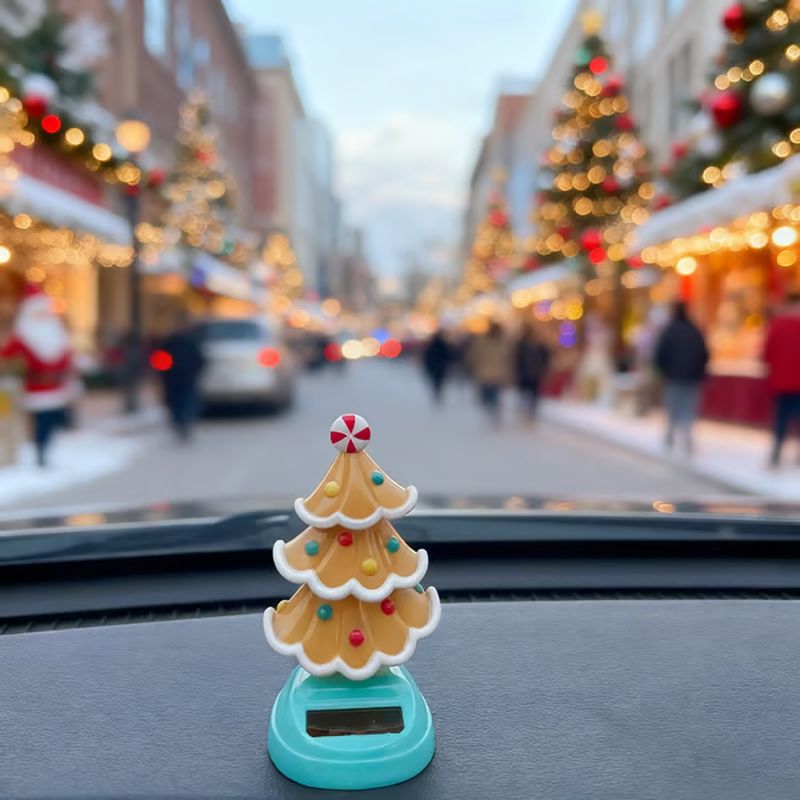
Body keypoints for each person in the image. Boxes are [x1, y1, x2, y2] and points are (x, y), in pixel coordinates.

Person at [0, 284, 74, 467]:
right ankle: (39, 448)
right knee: (40, 420)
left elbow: (67, 356)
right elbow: (7, 354)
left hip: (54, 386)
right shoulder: (27, 334)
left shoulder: (52, 332)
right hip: (36, 386)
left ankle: (41, 447)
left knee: (49, 420)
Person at [654, 301, 709, 454]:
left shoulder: (669, 331)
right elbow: (704, 353)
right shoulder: (694, 330)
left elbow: (660, 354)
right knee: (688, 408)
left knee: (673, 407)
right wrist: (700, 372)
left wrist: (663, 370)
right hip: (691, 378)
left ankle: (670, 435)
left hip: (673, 376)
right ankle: (687, 439)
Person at [763, 291, 800, 467]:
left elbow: (767, 353)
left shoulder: (777, 325)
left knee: (781, 418)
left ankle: (777, 452)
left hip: (781, 381)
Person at [158, 316, 205, 442]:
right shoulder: (176, 342)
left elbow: (199, 360)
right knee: (182, 401)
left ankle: (182, 422)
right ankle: (182, 422)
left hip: (178, 376)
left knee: (182, 401)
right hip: (179, 376)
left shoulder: (176, 342)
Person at [468, 321, 514, 423]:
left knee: (495, 393)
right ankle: (491, 408)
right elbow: (475, 355)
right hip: (486, 371)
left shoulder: (505, 341)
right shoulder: (482, 341)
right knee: (488, 393)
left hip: (498, 372)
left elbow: (509, 358)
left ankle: (494, 410)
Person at [515, 323, 550, 420]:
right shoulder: (522, 345)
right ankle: (527, 410)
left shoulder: (539, 345)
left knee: (533, 393)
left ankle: (531, 411)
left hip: (534, 373)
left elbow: (545, 357)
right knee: (526, 393)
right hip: (526, 373)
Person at [422, 329, 450, 404]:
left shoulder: (431, 346)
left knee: (435, 382)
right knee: (439, 382)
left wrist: (428, 366)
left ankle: (437, 394)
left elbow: (427, 357)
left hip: (434, 367)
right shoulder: (443, 345)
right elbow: (447, 356)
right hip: (441, 367)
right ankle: (438, 394)